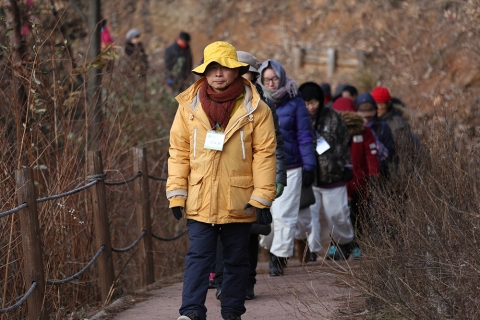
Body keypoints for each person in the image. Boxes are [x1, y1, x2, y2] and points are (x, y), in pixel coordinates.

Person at [166, 41, 277, 320]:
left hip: (239, 198)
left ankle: (231, 312)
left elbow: (264, 154)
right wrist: (176, 193)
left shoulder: (257, 109)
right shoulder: (188, 107)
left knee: (237, 261)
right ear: (204, 72)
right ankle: (191, 311)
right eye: (212, 68)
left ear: (237, 71)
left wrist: (263, 196)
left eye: (224, 68)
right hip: (200, 195)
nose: (218, 74)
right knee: (198, 257)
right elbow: (178, 152)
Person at [214, 51, 287, 301]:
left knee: (251, 233)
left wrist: (278, 178)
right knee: (222, 231)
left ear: (253, 75)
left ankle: (247, 283)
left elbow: (276, 144)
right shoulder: (217, 100)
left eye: (243, 72)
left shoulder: (263, 104)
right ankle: (224, 282)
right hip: (222, 179)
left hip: (254, 178)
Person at [257, 60, 316, 276]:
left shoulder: (296, 102)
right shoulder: (256, 100)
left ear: (281, 78)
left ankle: (279, 257)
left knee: (284, 214)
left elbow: (304, 136)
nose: (271, 83)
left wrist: (309, 165)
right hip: (263, 168)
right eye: (267, 80)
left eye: (274, 79)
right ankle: (273, 247)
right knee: (267, 217)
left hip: (292, 166)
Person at [295, 82, 354, 262]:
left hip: (333, 176)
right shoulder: (297, 119)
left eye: (314, 102)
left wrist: (347, 166)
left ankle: (343, 243)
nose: (311, 107)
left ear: (320, 101)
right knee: (309, 218)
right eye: (306, 103)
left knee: (338, 214)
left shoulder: (334, 117)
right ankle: (312, 250)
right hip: (308, 179)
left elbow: (345, 143)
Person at [332, 98, 380, 260]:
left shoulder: (364, 132)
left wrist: (374, 175)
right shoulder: (330, 132)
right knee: (338, 214)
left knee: (358, 215)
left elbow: (371, 154)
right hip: (338, 181)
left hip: (360, 182)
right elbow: (322, 153)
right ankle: (338, 245)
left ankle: (356, 246)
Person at [356, 93, 395, 177]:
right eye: (364, 114)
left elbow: (390, 151)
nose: (367, 118)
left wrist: (380, 166)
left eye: (370, 113)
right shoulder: (354, 130)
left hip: (381, 174)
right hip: (359, 176)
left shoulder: (383, 127)